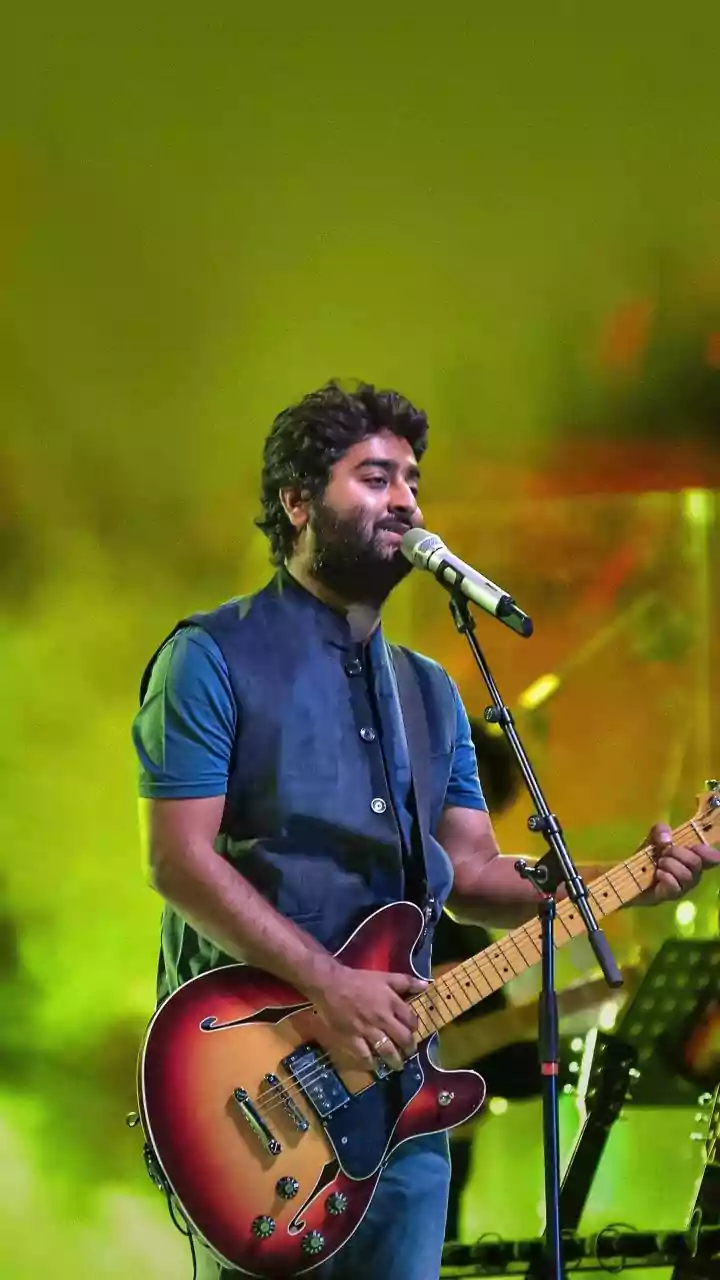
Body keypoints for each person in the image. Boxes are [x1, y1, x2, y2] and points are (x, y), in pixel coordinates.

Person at [132, 380, 715, 1280]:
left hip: (404, 1104)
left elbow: (473, 875)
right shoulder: (210, 659)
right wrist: (328, 983)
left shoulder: (431, 691)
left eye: (411, 480)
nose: (404, 498)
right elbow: (177, 861)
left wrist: (628, 872)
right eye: (374, 476)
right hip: (254, 1089)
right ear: (296, 501)